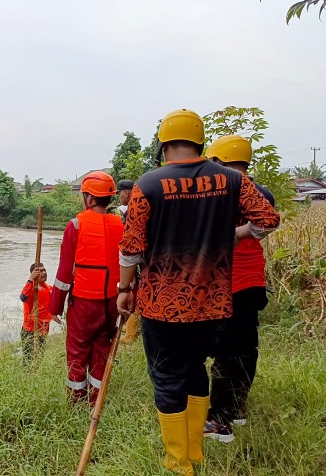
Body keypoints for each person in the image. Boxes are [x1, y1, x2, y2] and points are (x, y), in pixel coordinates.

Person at [117, 109, 280, 475]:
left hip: (162, 306)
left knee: (168, 378)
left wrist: (124, 288)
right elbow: (268, 218)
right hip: (214, 303)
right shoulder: (231, 180)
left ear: (164, 144)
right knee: (195, 372)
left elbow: (130, 248)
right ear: (200, 141)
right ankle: (195, 454)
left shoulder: (150, 183)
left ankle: (178, 463)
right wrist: (235, 235)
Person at [203, 135, 275, 443]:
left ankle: (218, 420)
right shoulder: (263, 194)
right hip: (253, 282)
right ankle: (238, 406)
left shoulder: (217, 193)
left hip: (223, 283)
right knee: (246, 347)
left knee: (224, 352)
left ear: (218, 161)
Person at [49, 171, 124, 406]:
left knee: (77, 351)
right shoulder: (119, 224)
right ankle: (96, 401)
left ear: (89, 198)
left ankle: (76, 401)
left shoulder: (76, 225)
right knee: (102, 349)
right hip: (111, 302)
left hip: (83, 304)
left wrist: (55, 306)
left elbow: (64, 273)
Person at [19, 262, 54, 366]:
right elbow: (23, 297)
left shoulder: (47, 288)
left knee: (39, 360)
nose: (44, 273)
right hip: (30, 331)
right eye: (40, 271)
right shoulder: (32, 287)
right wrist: (31, 279)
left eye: (44, 270)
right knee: (28, 361)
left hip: (43, 331)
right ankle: (26, 379)